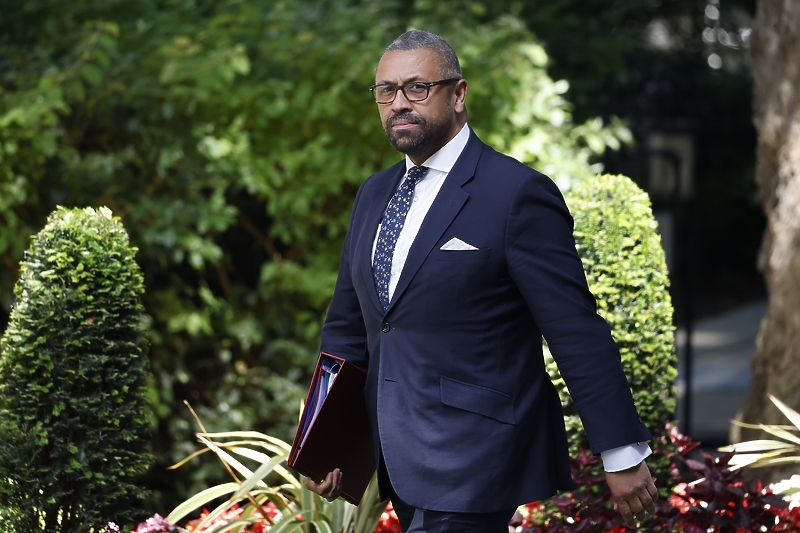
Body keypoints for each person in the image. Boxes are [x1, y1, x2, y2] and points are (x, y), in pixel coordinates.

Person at [305, 29, 658, 533]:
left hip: (476, 457)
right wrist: (331, 440)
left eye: (416, 88)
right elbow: (348, 327)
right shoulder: (374, 194)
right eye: (386, 91)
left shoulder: (516, 195)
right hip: (395, 454)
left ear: (459, 94)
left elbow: (574, 328)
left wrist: (621, 450)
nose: (398, 103)